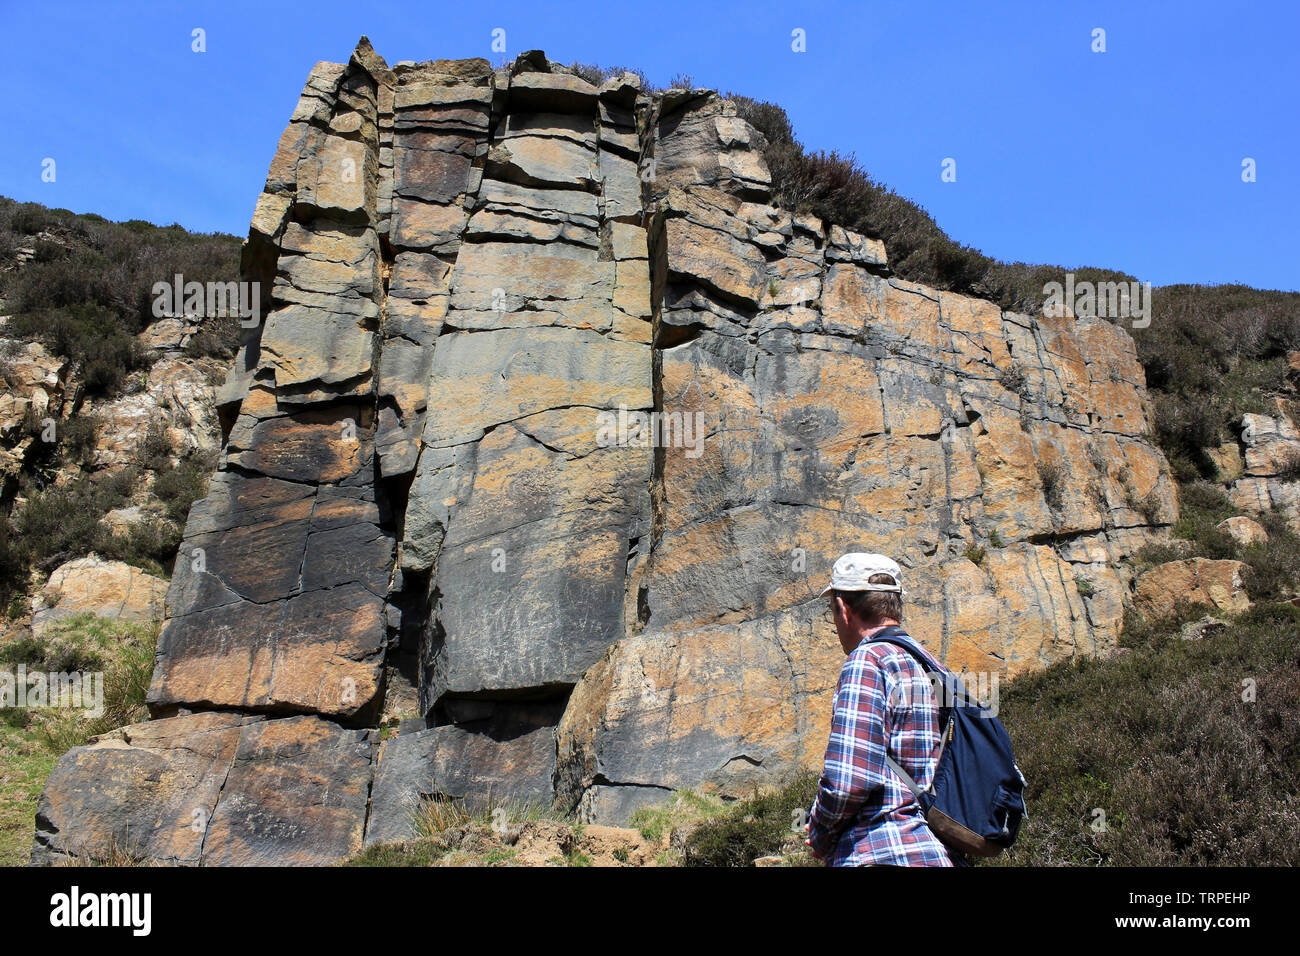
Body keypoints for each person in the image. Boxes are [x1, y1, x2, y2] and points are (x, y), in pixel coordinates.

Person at [805, 552, 962, 866]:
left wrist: (819, 835)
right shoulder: (933, 668)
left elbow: (848, 781)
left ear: (842, 609)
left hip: (881, 850)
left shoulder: (867, 662)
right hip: (935, 853)